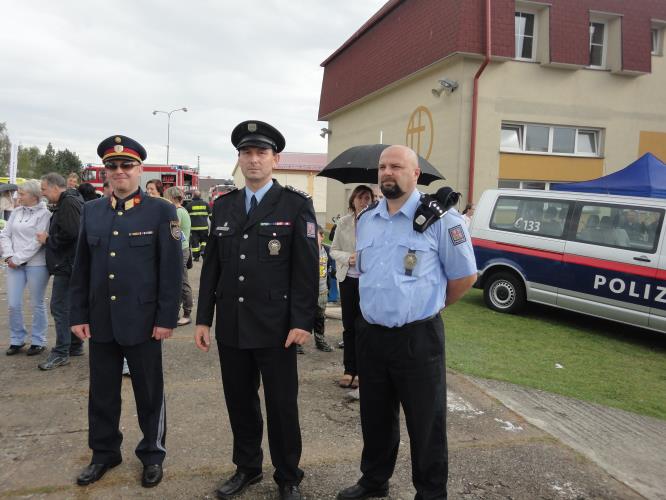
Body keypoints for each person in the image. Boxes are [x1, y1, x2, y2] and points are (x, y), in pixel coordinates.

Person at [336, 145, 477, 500]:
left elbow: (465, 276)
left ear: (415, 174)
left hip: (418, 338)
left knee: (425, 424)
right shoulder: (367, 219)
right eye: (383, 167)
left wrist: (431, 306)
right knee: (376, 418)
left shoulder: (443, 219)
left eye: (396, 166)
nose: (387, 172)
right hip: (372, 336)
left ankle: (430, 492)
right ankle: (374, 481)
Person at [195, 120, 318, 500]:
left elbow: (307, 269)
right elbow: (211, 267)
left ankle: (288, 476)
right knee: (240, 403)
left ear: (274, 158)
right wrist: (203, 318)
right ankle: (247, 468)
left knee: (282, 406)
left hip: (276, 327)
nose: (253, 160)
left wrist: (302, 321)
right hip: (232, 323)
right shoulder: (224, 206)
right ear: (239, 159)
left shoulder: (296, 205)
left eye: (261, 152)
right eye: (246, 153)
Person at [69, 135, 182, 488]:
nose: (119, 171)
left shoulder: (161, 210)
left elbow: (171, 271)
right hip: (101, 320)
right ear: (106, 171)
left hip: (145, 321)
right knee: (102, 393)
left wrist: (166, 319)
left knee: (149, 393)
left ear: (140, 169)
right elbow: (81, 269)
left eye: (126, 165)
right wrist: (78, 314)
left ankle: (152, 453)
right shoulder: (92, 211)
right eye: (112, 166)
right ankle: (104, 453)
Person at [36, 173, 84, 370]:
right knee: (69, 306)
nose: (43, 193)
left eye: (44, 189)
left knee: (59, 307)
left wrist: (48, 240)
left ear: (56, 187)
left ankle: (61, 352)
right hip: (70, 264)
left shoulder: (68, 203)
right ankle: (74, 344)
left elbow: (72, 233)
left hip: (67, 264)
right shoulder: (71, 201)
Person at [330, 185, 375, 389]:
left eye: (368, 198)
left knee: (365, 327)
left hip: (369, 281)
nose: (364, 201)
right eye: (361, 198)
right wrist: (348, 258)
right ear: (353, 200)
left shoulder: (377, 222)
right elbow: (333, 250)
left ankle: (363, 371)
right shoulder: (344, 222)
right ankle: (349, 369)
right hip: (347, 279)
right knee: (349, 326)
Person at [1, 180, 52, 356]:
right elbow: (5, 234)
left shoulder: (45, 214)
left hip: (36, 264)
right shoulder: (16, 212)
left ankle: (38, 340)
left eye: (21, 194)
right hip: (14, 263)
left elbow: (37, 241)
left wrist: (18, 258)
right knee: (14, 303)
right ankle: (17, 338)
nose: (18, 197)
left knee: (37, 302)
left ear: (33, 195)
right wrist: (8, 255)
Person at [164, 186, 193, 326]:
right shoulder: (180, 210)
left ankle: (187, 313)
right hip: (181, 249)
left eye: (166, 196)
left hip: (180, 250)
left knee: (182, 282)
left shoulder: (178, 212)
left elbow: (173, 232)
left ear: (172, 197)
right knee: (179, 281)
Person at [312, 225, 333, 352]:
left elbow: (329, 268)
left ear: (322, 236)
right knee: (304, 317)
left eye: (316, 236)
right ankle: (297, 343)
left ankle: (320, 340)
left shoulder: (327, 250)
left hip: (322, 290)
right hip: (309, 291)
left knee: (320, 317)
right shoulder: (307, 250)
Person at [186, 189, 210, 261]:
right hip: (204, 227)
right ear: (200, 196)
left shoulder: (189, 205)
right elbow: (211, 215)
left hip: (194, 228)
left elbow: (186, 216)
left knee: (195, 243)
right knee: (204, 241)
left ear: (193, 196)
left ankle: (196, 257)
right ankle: (203, 250)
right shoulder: (206, 204)